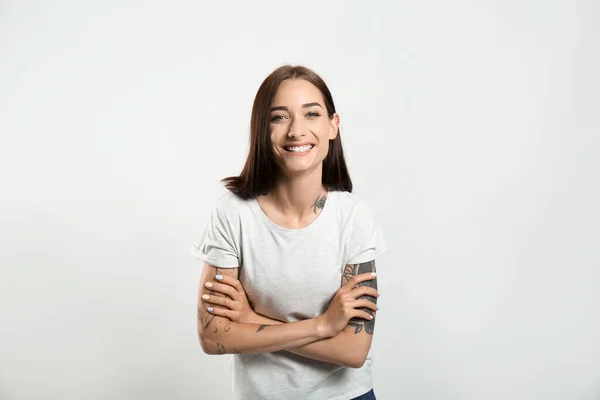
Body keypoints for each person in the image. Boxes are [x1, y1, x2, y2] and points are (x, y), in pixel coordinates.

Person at [190, 65, 388, 400]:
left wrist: (251, 320)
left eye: (312, 114)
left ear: (332, 126)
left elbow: (353, 350)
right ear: (261, 130)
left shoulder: (353, 217)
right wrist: (323, 326)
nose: (297, 130)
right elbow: (214, 337)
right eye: (279, 117)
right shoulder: (232, 214)